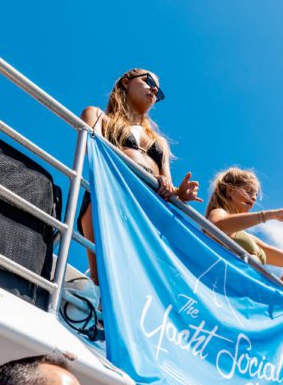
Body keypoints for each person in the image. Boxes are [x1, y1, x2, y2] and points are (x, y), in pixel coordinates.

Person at [79, 68, 202, 282]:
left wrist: (180, 193)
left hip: (149, 208)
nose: (154, 89)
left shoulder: (160, 142)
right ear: (126, 82)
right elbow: (95, 152)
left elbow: (168, 188)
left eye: (159, 92)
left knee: (136, 282)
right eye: (148, 81)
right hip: (112, 196)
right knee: (106, 282)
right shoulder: (97, 115)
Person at [206, 167, 283, 268]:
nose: (254, 198)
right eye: (249, 191)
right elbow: (217, 227)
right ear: (229, 190)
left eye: (256, 194)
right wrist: (272, 214)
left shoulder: (248, 238)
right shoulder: (218, 212)